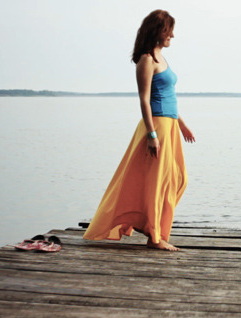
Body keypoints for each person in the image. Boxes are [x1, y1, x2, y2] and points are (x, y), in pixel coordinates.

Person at [83, 10, 194, 251]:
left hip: (170, 126)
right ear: (158, 31)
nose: (172, 35)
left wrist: (181, 124)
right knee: (157, 182)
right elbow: (144, 100)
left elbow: (169, 97)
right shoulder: (146, 60)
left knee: (177, 179)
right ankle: (155, 237)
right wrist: (152, 134)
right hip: (156, 127)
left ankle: (151, 227)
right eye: (169, 30)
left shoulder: (162, 59)